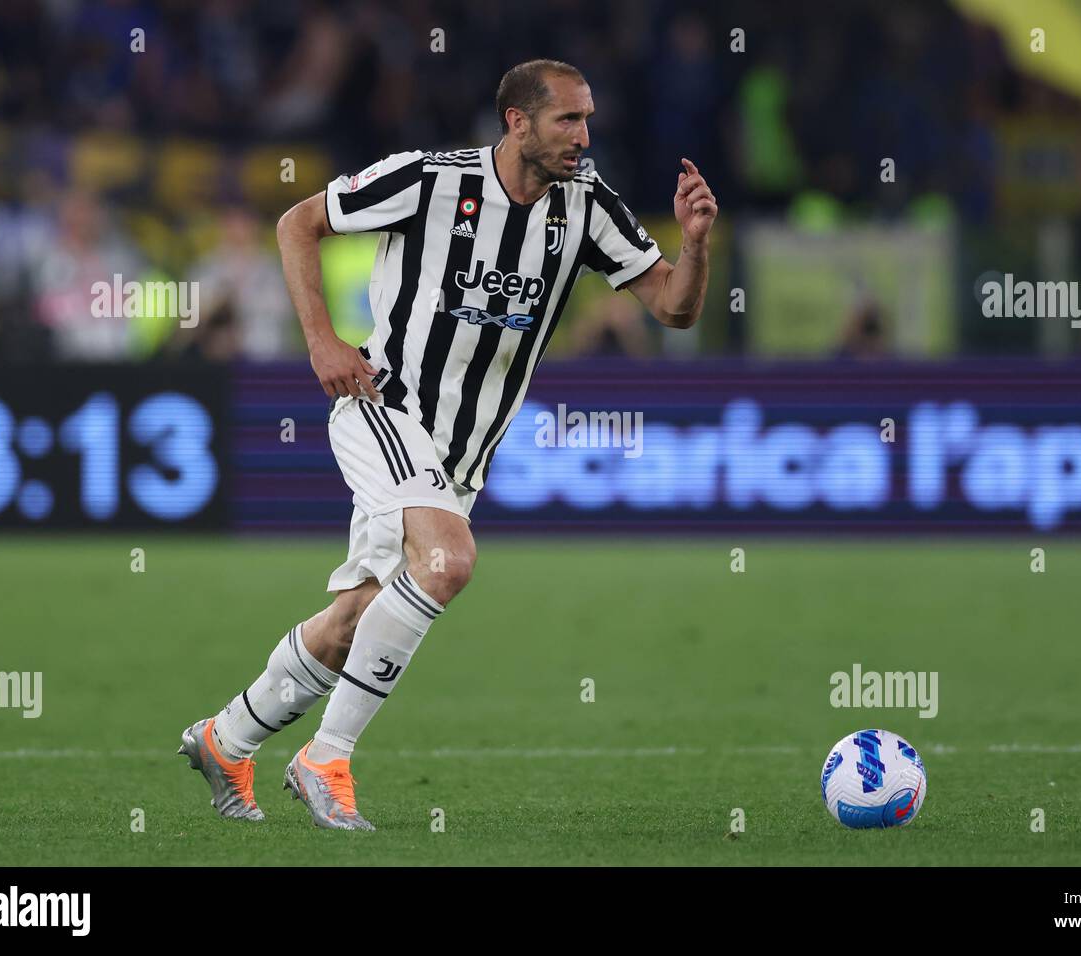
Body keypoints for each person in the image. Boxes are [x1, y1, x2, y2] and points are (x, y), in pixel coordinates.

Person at [178, 58, 718, 829]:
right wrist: (323, 341)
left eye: (588, 118)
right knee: (449, 561)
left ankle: (226, 738)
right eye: (568, 119)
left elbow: (674, 307)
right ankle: (325, 757)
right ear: (518, 122)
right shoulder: (428, 181)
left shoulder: (586, 205)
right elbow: (298, 222)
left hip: (462, 457)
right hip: (383, 407)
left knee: (355, 620)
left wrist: (694, 245)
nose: (584, 135)